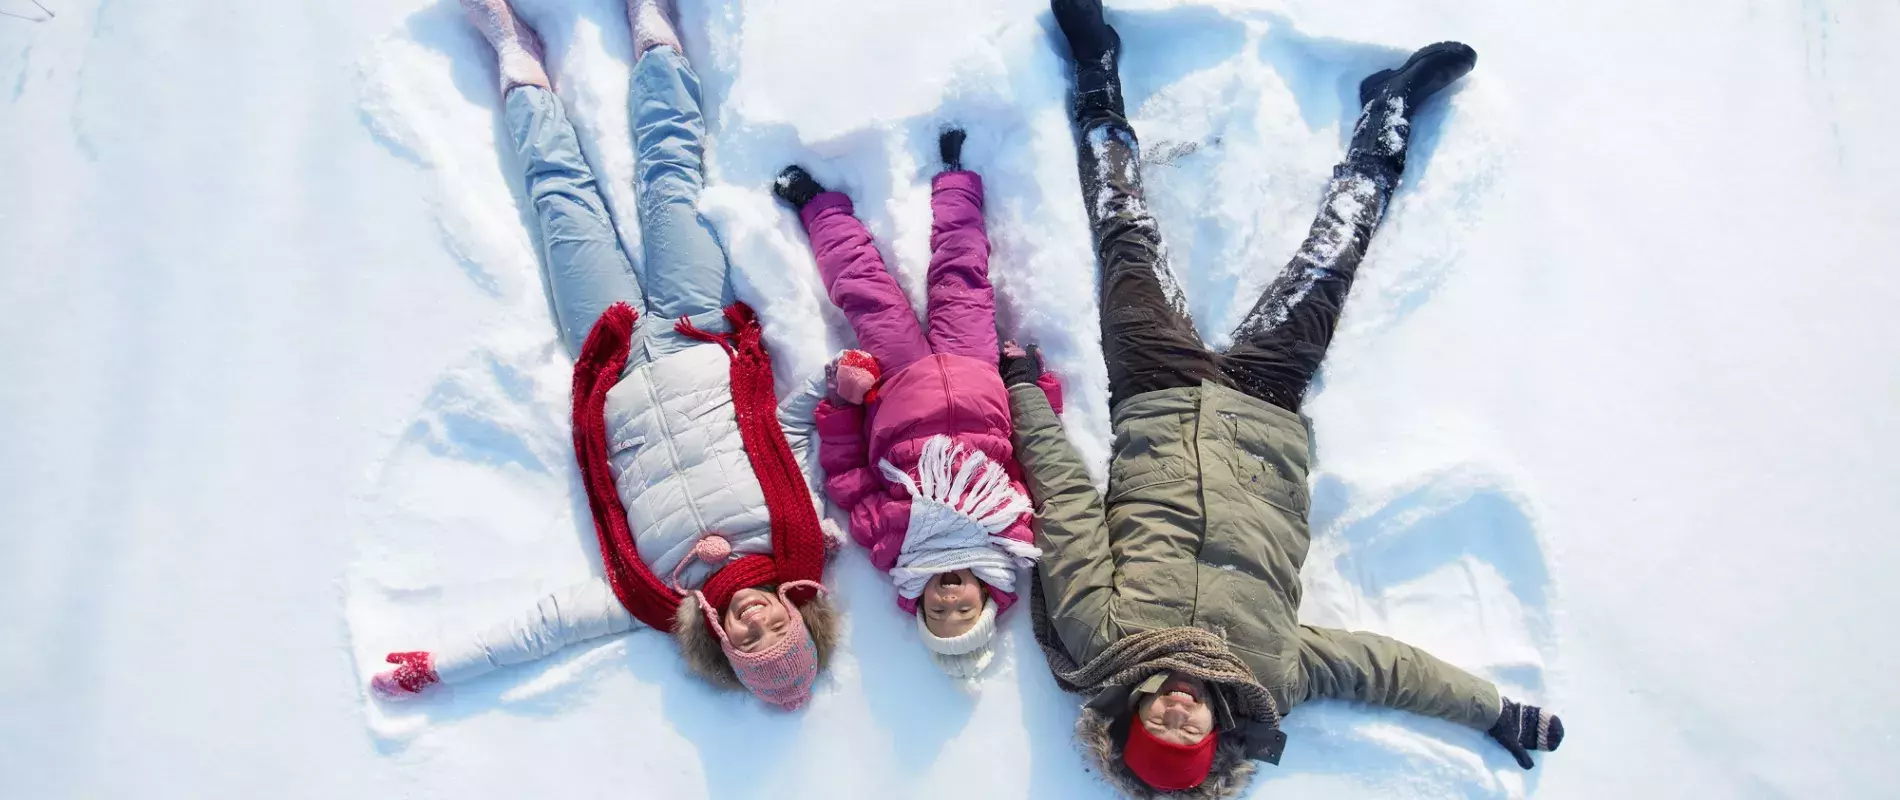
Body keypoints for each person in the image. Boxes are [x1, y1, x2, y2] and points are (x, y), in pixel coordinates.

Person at [1004, 1, 1567, 795]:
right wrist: (1494, 713)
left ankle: (1097, 76)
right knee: (1329, 264)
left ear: (1128, 719)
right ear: (1216, 737)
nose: (1175, 710)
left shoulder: (1099, 636)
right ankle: (1388, 115)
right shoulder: (1274, 671)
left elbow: (1064, 508)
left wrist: (1025, 390)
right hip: (1265, 416)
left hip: (1156, 397)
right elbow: (1386, 670)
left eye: (1154, 725)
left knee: (1124, 238)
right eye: (1186, 731)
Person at [369, 0, 842, 712]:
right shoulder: (799, 528)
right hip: (697, 328)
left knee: (562, 202)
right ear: (797, 613)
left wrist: (442, 668)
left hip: (611, 358)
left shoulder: (650, 595)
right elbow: (795, 428)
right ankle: (655, 37)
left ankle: (514, 58)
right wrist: (839, 380)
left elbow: (550, 626)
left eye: (748, 639)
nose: (756, 618)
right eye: (777, 625)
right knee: (670, 177)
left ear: (723, 641)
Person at [770, 133, 1063, 679]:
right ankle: (955, 181)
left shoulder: (889, 542)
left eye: (939, 613)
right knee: (962, 278)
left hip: (895, 382)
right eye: (963, 610)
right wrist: (1037, 389)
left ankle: (818, 207)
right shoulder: (1010, 529)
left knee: (865, 292)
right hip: (977, 372)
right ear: (987, 596)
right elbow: (1031, 459)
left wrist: (845, 404)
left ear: (919, 603)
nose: (949, 599)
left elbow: (847, 475)